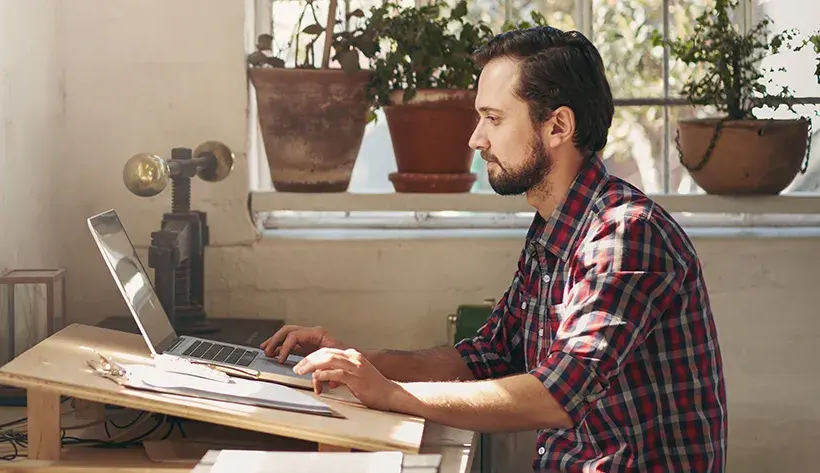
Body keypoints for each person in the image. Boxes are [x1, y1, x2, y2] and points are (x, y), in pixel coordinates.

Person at [260, 25, 727, 473]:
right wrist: (357, 360)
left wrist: (391, 394)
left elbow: (557, 395)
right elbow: (487, 355)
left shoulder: (625, 234)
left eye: (493, 119)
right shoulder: (555, 227)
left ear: (558, 126)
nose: (475, 139)